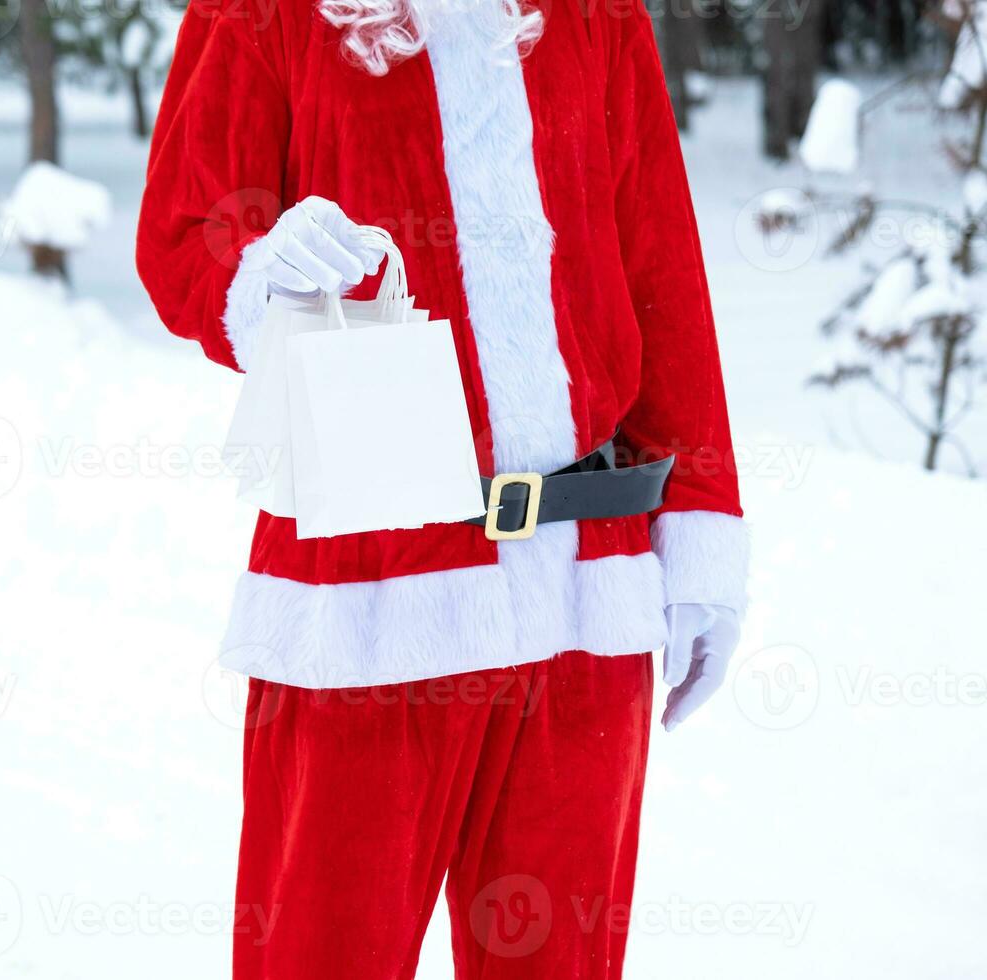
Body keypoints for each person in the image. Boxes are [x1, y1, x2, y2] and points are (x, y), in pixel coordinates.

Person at [136, 0, 747, 973]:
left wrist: (705, 517)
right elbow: (182, 229)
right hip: (367, 582)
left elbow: (657, 254)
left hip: (587, 585)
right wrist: (263, 267)